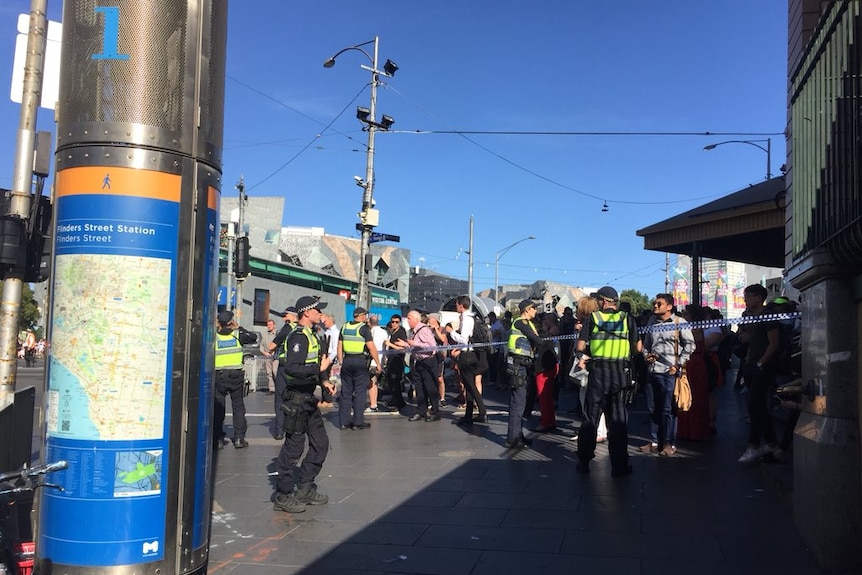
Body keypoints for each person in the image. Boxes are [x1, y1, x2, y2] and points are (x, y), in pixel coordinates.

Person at [272, 296, 336, 513]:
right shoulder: (298, 337)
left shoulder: (313, 335)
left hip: (308, 400)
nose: (321, 314)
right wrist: (318, 371)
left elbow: (312, 366)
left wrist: (324, 381)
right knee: (293, 448)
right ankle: (283, 494)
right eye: (318, 310)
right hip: (296, 400)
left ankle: (305, 487)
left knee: (321, 444)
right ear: (307, 313)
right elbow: (292, 368)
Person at [575, 286, 641, 477]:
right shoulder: (627, 319)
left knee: (590, 419)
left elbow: (580, 345)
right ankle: (619, 465)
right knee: (618, 421)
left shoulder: (593, 319)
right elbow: (637, 347)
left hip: (598, 374)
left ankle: (584, 461)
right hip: (620, 375)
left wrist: (587, 354)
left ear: (603, 301)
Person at [640, 293, 694, 457]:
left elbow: (690, 346)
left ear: (669, 306)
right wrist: (646, 355)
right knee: (652, 408)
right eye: (655, 304)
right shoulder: (651, 322)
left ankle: (670, 443)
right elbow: (646, 344)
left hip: (669, 373)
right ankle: (655, 441)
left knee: (668, 409)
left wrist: (678, 364)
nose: (655, 306)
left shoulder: (679, 323)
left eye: (659, 304)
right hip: (652, 371)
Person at [737, 284, 783, 464]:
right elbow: (743, 332)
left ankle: (754, 445)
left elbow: (774, 343)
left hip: (763, 365)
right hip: (749, 363)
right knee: (758, 406)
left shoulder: (768, 316)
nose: (745, 299)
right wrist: (744, 335)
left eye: (748, 296)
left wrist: (761, 363)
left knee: (754, 404)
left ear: (758, 297)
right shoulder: (747, 316)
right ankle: (773, 444)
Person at [213, 310, 257, 449]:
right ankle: (239, 438)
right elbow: (254, 337)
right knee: (238, 406)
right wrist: (239, 328)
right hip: (235, 376)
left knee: (218, 408)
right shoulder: (238, 334)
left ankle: (218, 439)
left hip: (219, 376)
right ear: (232, 322)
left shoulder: (214, 337)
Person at [505, 299, 542, 448]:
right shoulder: (521, 322)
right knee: (518, 403)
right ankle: (513, 439)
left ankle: (517, 435)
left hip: (522, 366)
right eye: (534, 308)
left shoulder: (527, 323)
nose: (536, 311)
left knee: (520, 401)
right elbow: (537, 340)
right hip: (518, 366)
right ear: (526, 309)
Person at [337, 307, 380, 430]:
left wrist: (341, 361)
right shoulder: (364, 328)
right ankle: (357, 422)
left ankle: (344, 422)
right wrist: (378, 363)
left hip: (347, 361)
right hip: (360, 361)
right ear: (361, 316)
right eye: (365, 315)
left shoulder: (344, 327)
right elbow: (371, 347)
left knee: (346, 392)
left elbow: (339, 346)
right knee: (360, 392)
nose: (366, 317)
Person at [446, 295, 487, 425]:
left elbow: (464, 339)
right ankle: (469, 415)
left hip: (467, 356)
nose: (456, 307)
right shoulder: (471, 318)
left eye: (457, 304)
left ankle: (482, 411)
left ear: (461, 305)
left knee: (470, 385)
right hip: (472, 354)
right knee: (469, 386)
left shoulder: (467, 319)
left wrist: (451, 332)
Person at [405, 310, 442, 422]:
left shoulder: (424, 330)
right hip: (419, 361)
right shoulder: (414, 331)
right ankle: (421, 410)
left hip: (428, 361)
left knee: (430, 387)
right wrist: (406, 345)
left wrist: (414, 344)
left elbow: (432, 347)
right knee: (419, 388)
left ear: (416, 319)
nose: (407, 320)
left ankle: (435, 412)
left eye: (409, 318)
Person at [268, 306, 298, 440]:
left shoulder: (288, 328)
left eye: (285, 315)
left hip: (285, 367)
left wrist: (271, 349)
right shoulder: (305, 329)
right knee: (295, 399)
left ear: (292, 316)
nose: (283, 318)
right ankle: (294, 428)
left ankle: (280, 430)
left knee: (280, 398)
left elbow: (272, 346)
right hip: (299, 368)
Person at [383, 315, 408, 410]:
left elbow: (402, 349)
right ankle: (398, 400)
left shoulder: (401, 332)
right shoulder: (393, 332)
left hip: (398, 360)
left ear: (400, 323)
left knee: (395, 381)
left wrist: (390, 344)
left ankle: (398, 403)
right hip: (391, 359)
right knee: (391, 381)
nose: (394, 324)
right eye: (393, 322)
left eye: (396, 322)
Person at [367, 314, 389, 412]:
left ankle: (373, 404)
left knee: (371, 383)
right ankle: (374, 403)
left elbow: (371, 347)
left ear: (369, 323)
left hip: (372, 361)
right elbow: (386, 346)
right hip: (381, 360)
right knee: (374, 382)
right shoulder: (384, 332)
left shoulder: (370, 332)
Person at [260, 318, 279, 393]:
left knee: (275, 372)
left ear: (274, 325)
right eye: (268, 325)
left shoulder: (277, 334)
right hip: (267, 356)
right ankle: (271, 389)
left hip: (275, 356)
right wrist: (264, 353)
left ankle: (279, 387)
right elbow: (261, 345)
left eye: (270, 325)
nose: (269, 326)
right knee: (269, 373)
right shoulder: (265, 335)